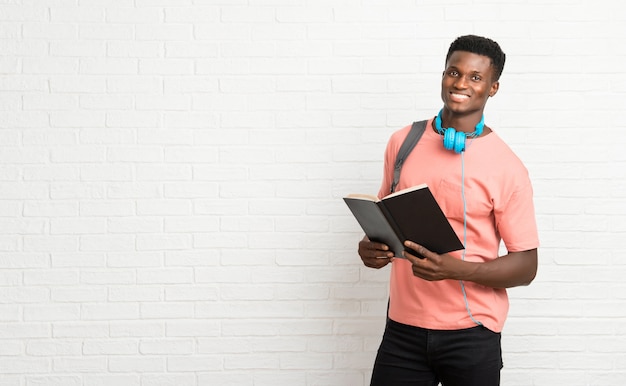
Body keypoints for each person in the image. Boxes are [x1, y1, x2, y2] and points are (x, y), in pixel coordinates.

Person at [358, 35, 539, 386]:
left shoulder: (507, 166)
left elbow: (527, 266)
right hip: (402, 330)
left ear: (493, 88)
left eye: (475, 77)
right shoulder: (403, 142)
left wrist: (457, 270)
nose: (460, 83)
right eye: (453, 72)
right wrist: (371, 247)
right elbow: (386, 217)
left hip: (471, 335)